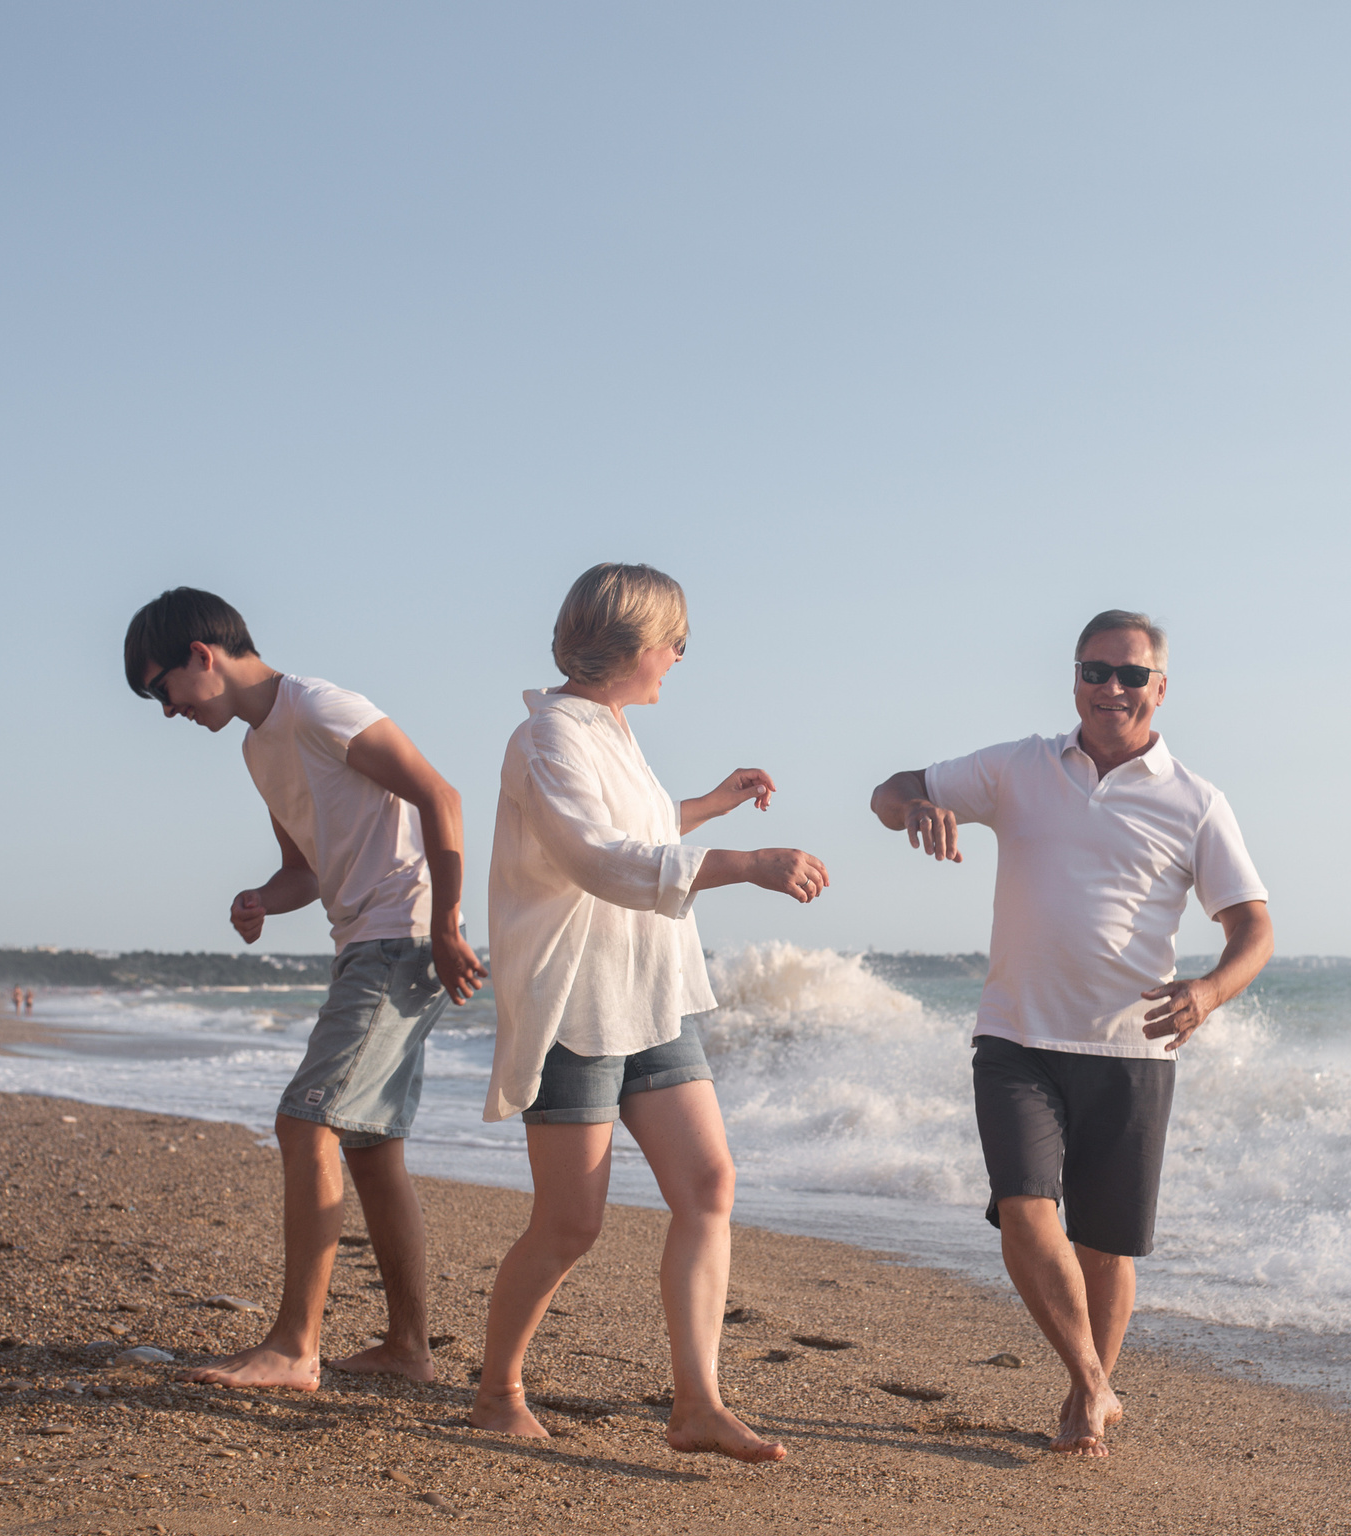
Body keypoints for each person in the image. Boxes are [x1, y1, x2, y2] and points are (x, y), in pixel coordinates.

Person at [870, 610, 1273, 1456]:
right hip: (1016, 1035)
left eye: (1131, 675)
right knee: (1023, 1212)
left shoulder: (1196, 801)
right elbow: (890, 787)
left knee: (1106, 1246)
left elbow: (1254, 931)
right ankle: (1094, 1386)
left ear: (1161, 688)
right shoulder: (1020, 766)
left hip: (1132, 1049)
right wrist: (915, 808)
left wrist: (1208, 993)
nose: (1111, 688)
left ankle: (1085, 1385)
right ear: (1074, 679)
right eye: (1095, 671)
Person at [470, 563, 826, 1462]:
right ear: (629, 645)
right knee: (569, 1222)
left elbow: (645, 825)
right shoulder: (545, 736)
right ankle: (498, 1385)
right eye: (674, 639)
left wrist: (711, 802)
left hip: (653, 991)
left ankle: (697, 1403)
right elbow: (599, 857)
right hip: (575, 1000)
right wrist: (744, 861)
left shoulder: (612, 727)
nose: (680, 654)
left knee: (710, 1185)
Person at [124, 586, 483, 1392]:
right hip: (362, 938)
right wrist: (262, 898)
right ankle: (409, 1348)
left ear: (200, 656)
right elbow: (305, 868)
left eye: (160, 689)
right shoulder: (259, 747)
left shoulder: (321, 707)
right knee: (370, 1146)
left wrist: (448, 924)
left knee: (304, 1121)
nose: (166, 710)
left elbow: (440, 794)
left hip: (399, 936)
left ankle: (294, 1347)